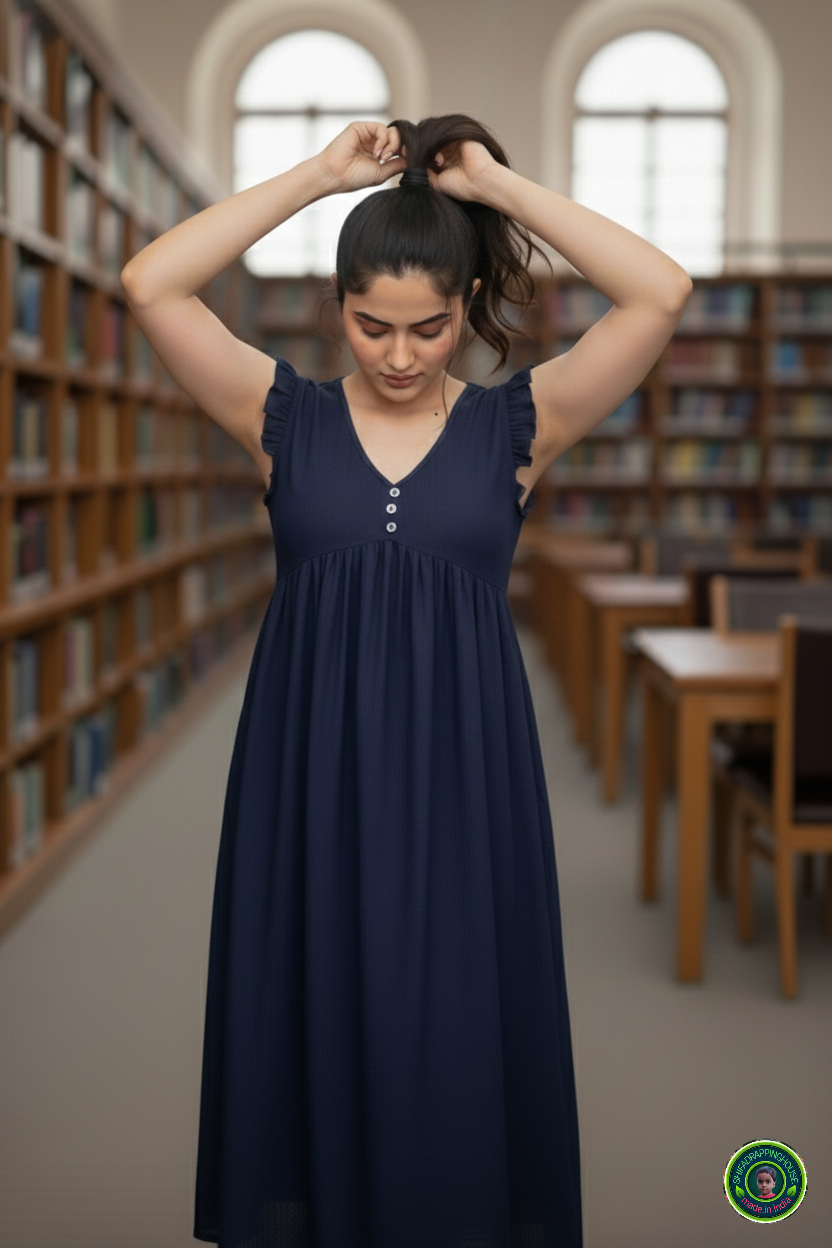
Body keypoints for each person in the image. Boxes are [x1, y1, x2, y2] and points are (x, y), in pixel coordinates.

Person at [121, 113, 691, 1248]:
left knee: (451, 1018)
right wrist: (321, 177)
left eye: (429, 328)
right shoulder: (277, 415)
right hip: (306, 786)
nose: (396, 354)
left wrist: (497, 189)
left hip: (463, 786)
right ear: (337, 308)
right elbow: (150, 282)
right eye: (371, 324)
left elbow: (659, 292)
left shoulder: (516, 429)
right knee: (314, 1007)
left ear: (466, 308)